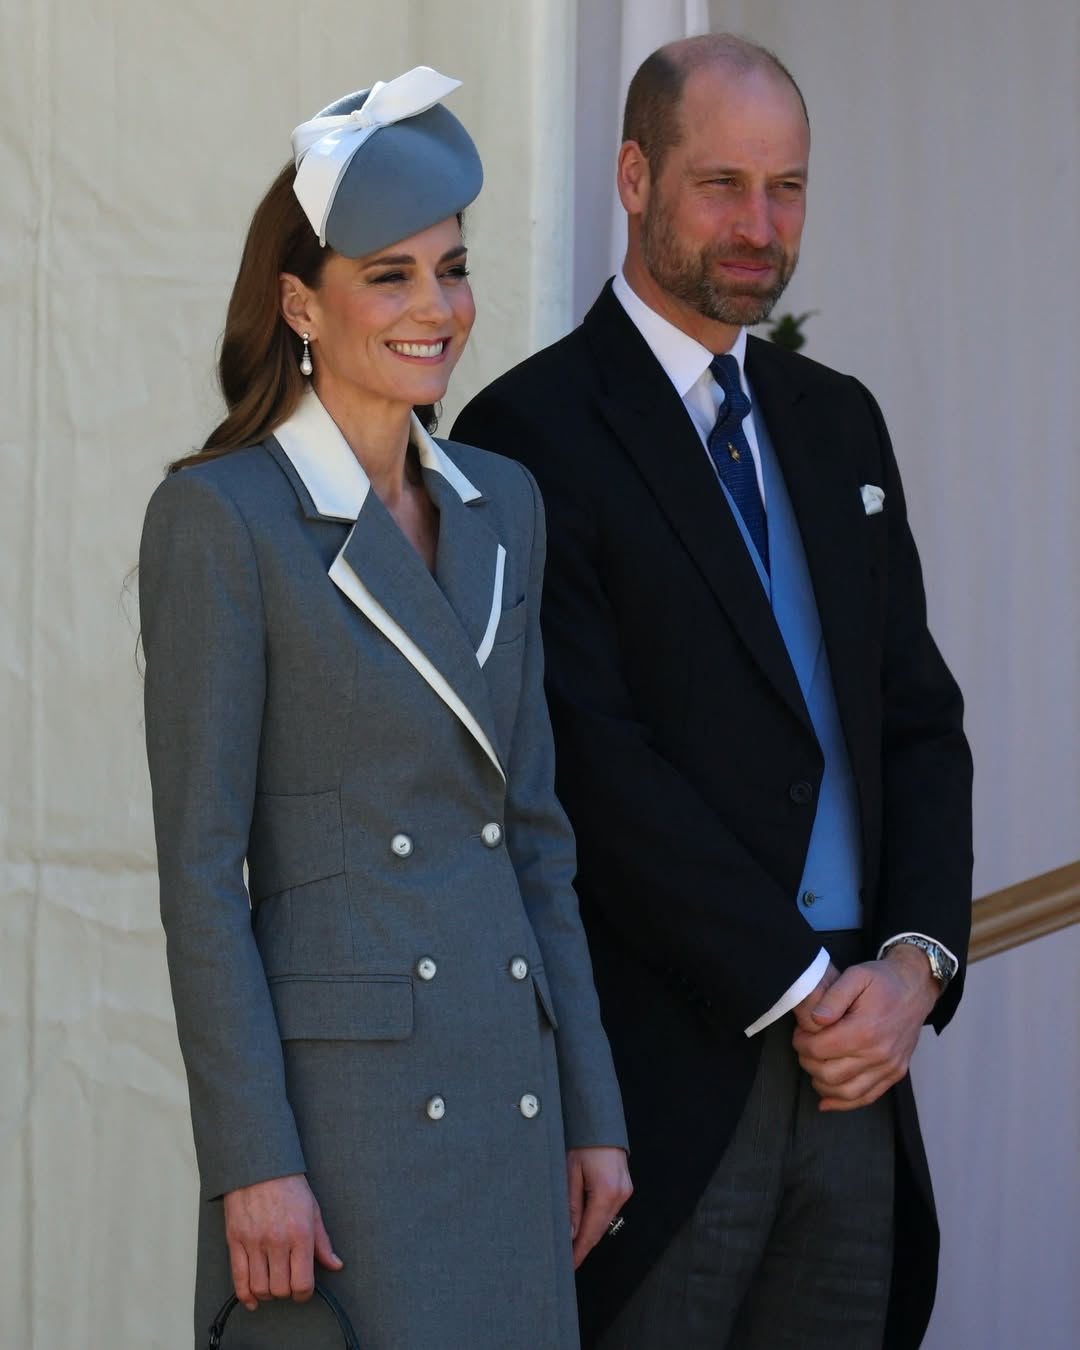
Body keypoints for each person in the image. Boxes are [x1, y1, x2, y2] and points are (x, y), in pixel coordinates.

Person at [453, 34, 973, 1350]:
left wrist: (913, 967)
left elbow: (915, 719)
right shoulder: (527, 434)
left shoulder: (838, 420)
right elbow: (588, 757)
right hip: (663, 1086)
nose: (759, 226)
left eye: (787, 188)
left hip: (861, 1075)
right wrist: (799, 981)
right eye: (721, 184)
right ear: (633, 178)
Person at [139, 67, 630, 1350]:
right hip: (342, 1130)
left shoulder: (502, 504)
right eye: (391, 274)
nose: (438, 309)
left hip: (506, 1087)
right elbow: (200, 875)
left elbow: (536, 837)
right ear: (302, 302)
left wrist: (593, 1107)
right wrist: (253, 1161)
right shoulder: (221, 519)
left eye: (452, 269)